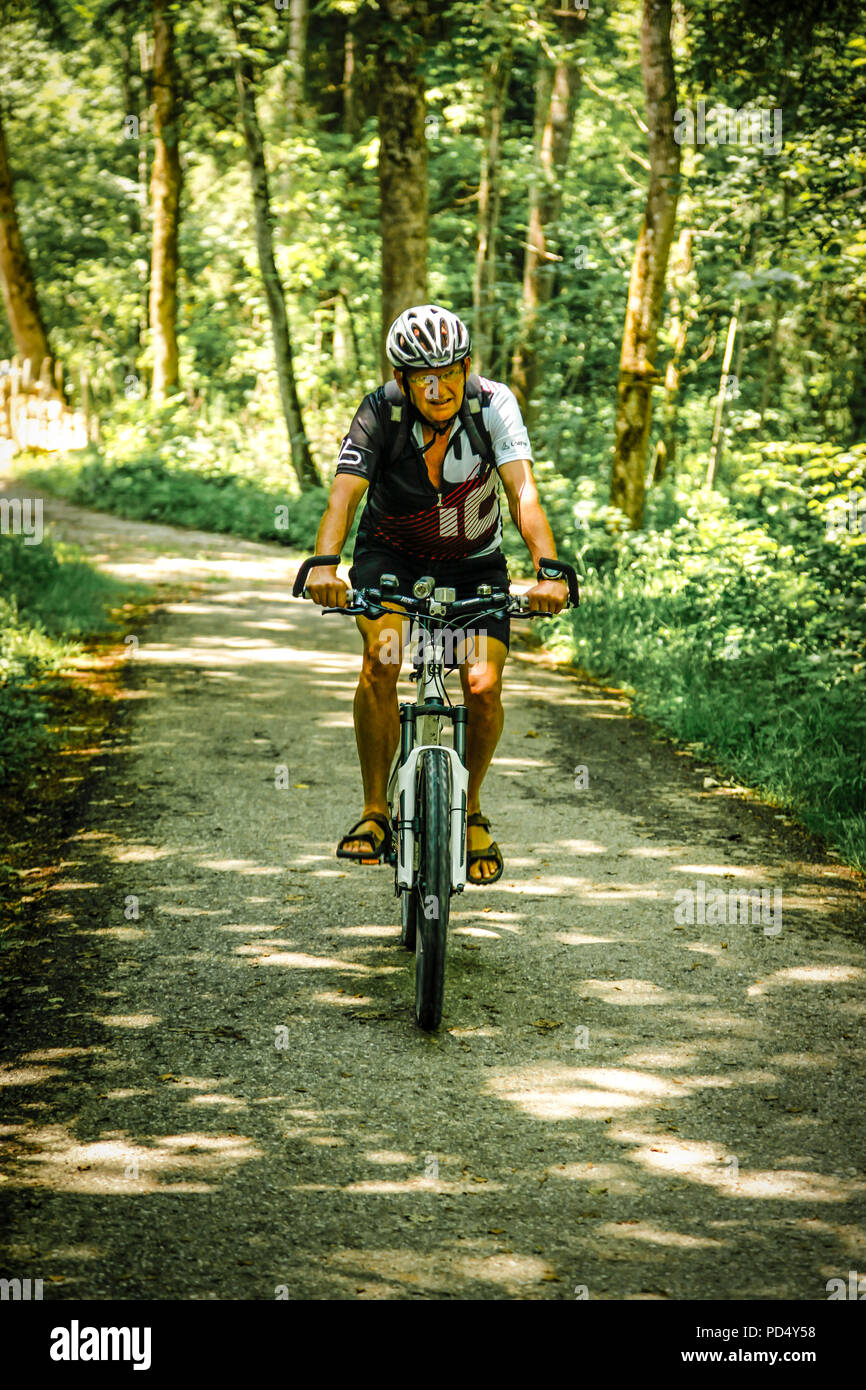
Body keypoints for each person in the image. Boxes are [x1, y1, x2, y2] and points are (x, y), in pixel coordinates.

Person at [305, 304, 567, 884]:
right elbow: (344, 497)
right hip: (391, 558)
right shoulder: (379, 412)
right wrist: (326, 564)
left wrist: (549, 570)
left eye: (449, 370)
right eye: (423, 374)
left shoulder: (493, 404)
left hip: (473, 564)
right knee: (383, 658)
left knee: (484, 684)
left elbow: (524, 496)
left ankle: (470, 809)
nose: (438, 385)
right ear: (402, 378)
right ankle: (375, 812)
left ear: (466, 366)